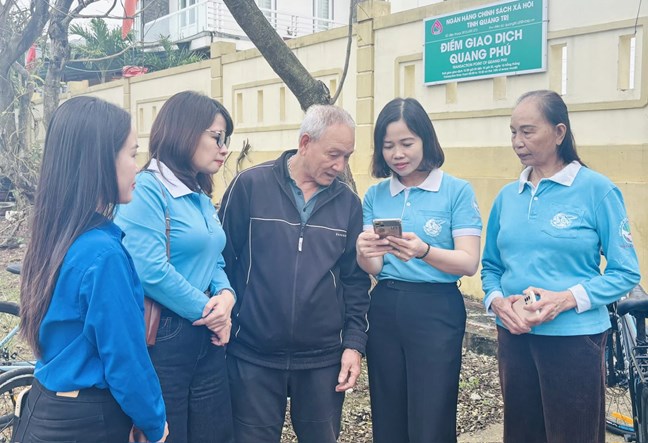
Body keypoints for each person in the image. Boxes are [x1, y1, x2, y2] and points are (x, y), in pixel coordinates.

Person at [481, 90, 641, 443]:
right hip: (515, 339)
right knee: (521, 434)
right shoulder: (507, 197)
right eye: (513, 132)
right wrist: (497, 303)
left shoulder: (597, 190)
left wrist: (565, 299)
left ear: (559, 132)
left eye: (527, 131)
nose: (517, 142)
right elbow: (490, 266)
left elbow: (625, 272)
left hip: (574, 341)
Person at [15, 96, 168, 443]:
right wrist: (154, 423)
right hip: (88, 422)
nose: (138, 167)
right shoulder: (103, 254)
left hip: (44, 408)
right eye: (132, 154)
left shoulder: (53, 237)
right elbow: (126, 360)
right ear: (99, 160)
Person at [219, 104, 370, 443]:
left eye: (347, 156)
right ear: (305, 143)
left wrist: (354, 345)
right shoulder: (249, 186)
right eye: (333, 154)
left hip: (323, 360)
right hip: (253, 355)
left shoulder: (348, 203)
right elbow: (221, 262)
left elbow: (355, 281)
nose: (340, 166)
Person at [356, 97, 482, 442]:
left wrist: (424, 251)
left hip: (436, 309)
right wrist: (363, 252)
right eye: (388, 146)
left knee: (432, 413)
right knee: (388, 409)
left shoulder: (456, 191)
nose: (398, 154)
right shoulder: (376, 195)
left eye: (407, 143)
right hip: (385, 307)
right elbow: (375, 266)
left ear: (426, 140)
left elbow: (468, 262)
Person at [115, 91, 235, 443]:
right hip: (165, 336)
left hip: (207, 336)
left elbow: (214, 256)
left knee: (214, 435)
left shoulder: (198, 192)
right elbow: (148, 269)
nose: (224, 149)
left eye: (225, 140)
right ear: (185, 131)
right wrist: (208, 310)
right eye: (217, 137)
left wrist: (226, 297)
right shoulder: (148, 189)